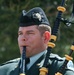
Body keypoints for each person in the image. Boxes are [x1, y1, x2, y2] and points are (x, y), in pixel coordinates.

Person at [0, 7, 74, 75]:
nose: (23, 38)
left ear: (45, 37)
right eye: (20, 33)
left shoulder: (60, 67)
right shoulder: (4, 70)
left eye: (30, 33)